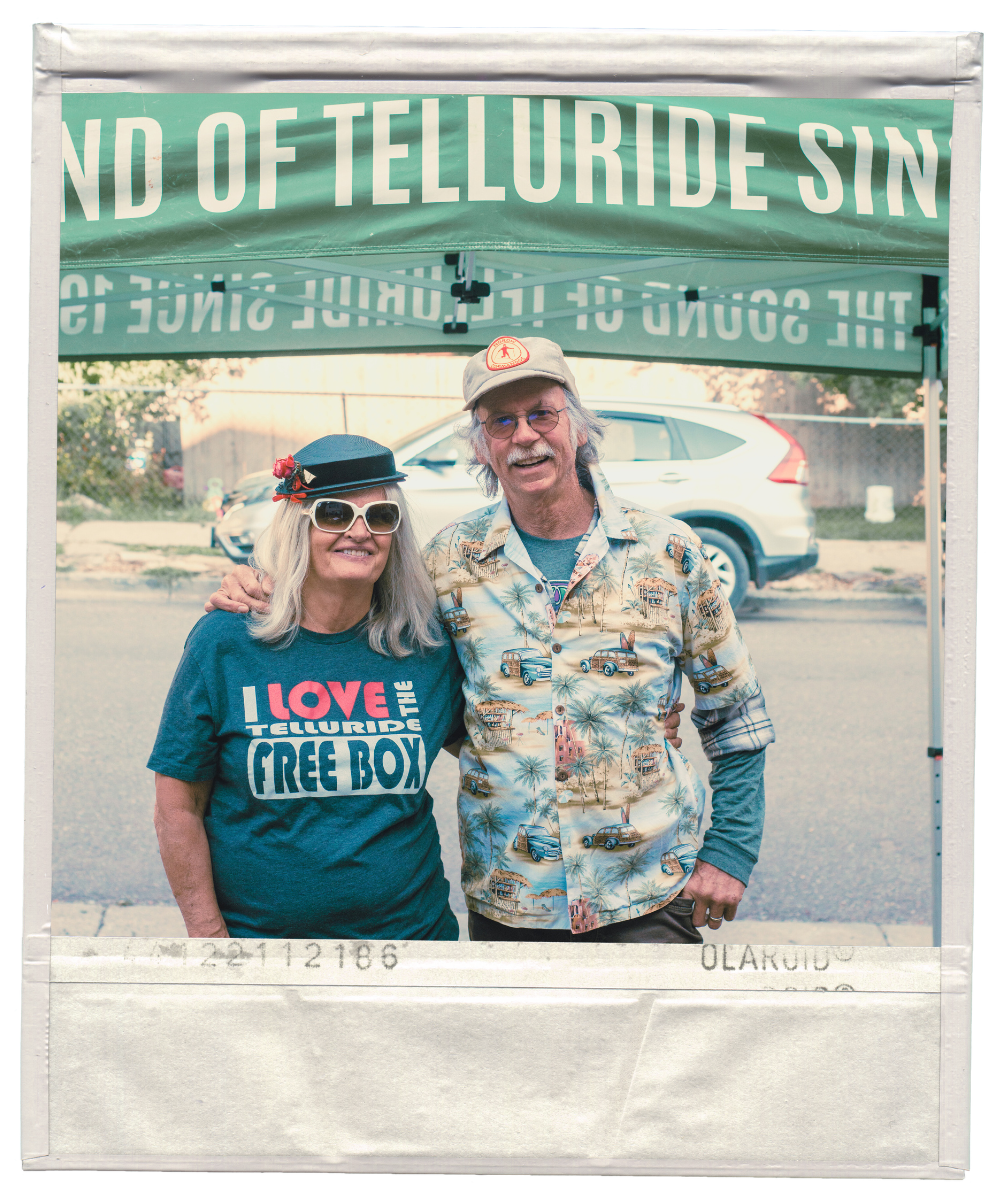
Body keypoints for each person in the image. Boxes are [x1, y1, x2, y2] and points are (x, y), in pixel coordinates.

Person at [209, 336, 771, 944]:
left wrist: (729, 854)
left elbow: (736, 717)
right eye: (500, 422)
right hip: (511, 902)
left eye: (541, 414)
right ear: (482, 445)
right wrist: (264, 581)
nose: (523, 436)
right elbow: (370, 641)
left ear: (578, 426)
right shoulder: (446, 563)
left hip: (647, 892)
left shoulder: (671, 552)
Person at [150, 434, 467, 941]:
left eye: (381, 517)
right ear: (300, 526)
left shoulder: (424, 646)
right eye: (335, 514)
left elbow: (488, 747)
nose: (360, 532)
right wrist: (209, 940)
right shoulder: (228, 641)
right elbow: (176, 805)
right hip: (261, 951)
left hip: (411, 944)